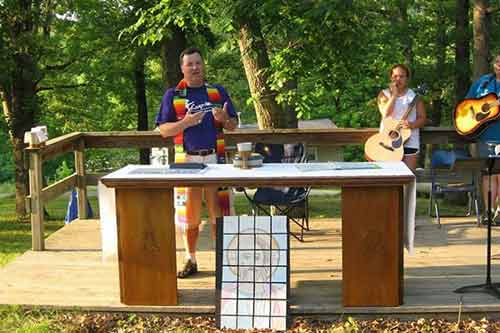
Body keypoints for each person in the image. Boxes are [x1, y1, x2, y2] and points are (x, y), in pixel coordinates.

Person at [156, 47, 238, 278]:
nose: (194, 67)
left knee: (220, 212)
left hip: (215, 159)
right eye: (189, 64)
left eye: (198, 63)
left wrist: (224, 120)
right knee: (188, 214)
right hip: (187, 160)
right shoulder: (173, 95)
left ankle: (223, 261)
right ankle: (190, 259)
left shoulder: (217, 92)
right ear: (182, 68)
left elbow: (233, 125)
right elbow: (163, 130)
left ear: (203, 65)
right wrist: (185, 123)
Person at [465, 54, 500, 224]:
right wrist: (476, 111)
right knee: (489, 175)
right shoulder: (484, 82)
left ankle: (499, 213)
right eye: (498, 61)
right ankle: (488, 212)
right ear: (494, 64)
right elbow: (467, 103)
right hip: (485, 135)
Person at [377, 64, 427, 172]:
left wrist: (412, 124)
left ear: (407, 79)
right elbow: (385, 114)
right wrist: (394, 95)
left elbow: (422, 118)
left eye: (401, 76)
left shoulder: (414, 96)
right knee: (386, 176)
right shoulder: (383, 94)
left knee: (407, 177)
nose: (398, 79)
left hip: (410, 140)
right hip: (387, 141)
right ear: (391, 78)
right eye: (395, 76)